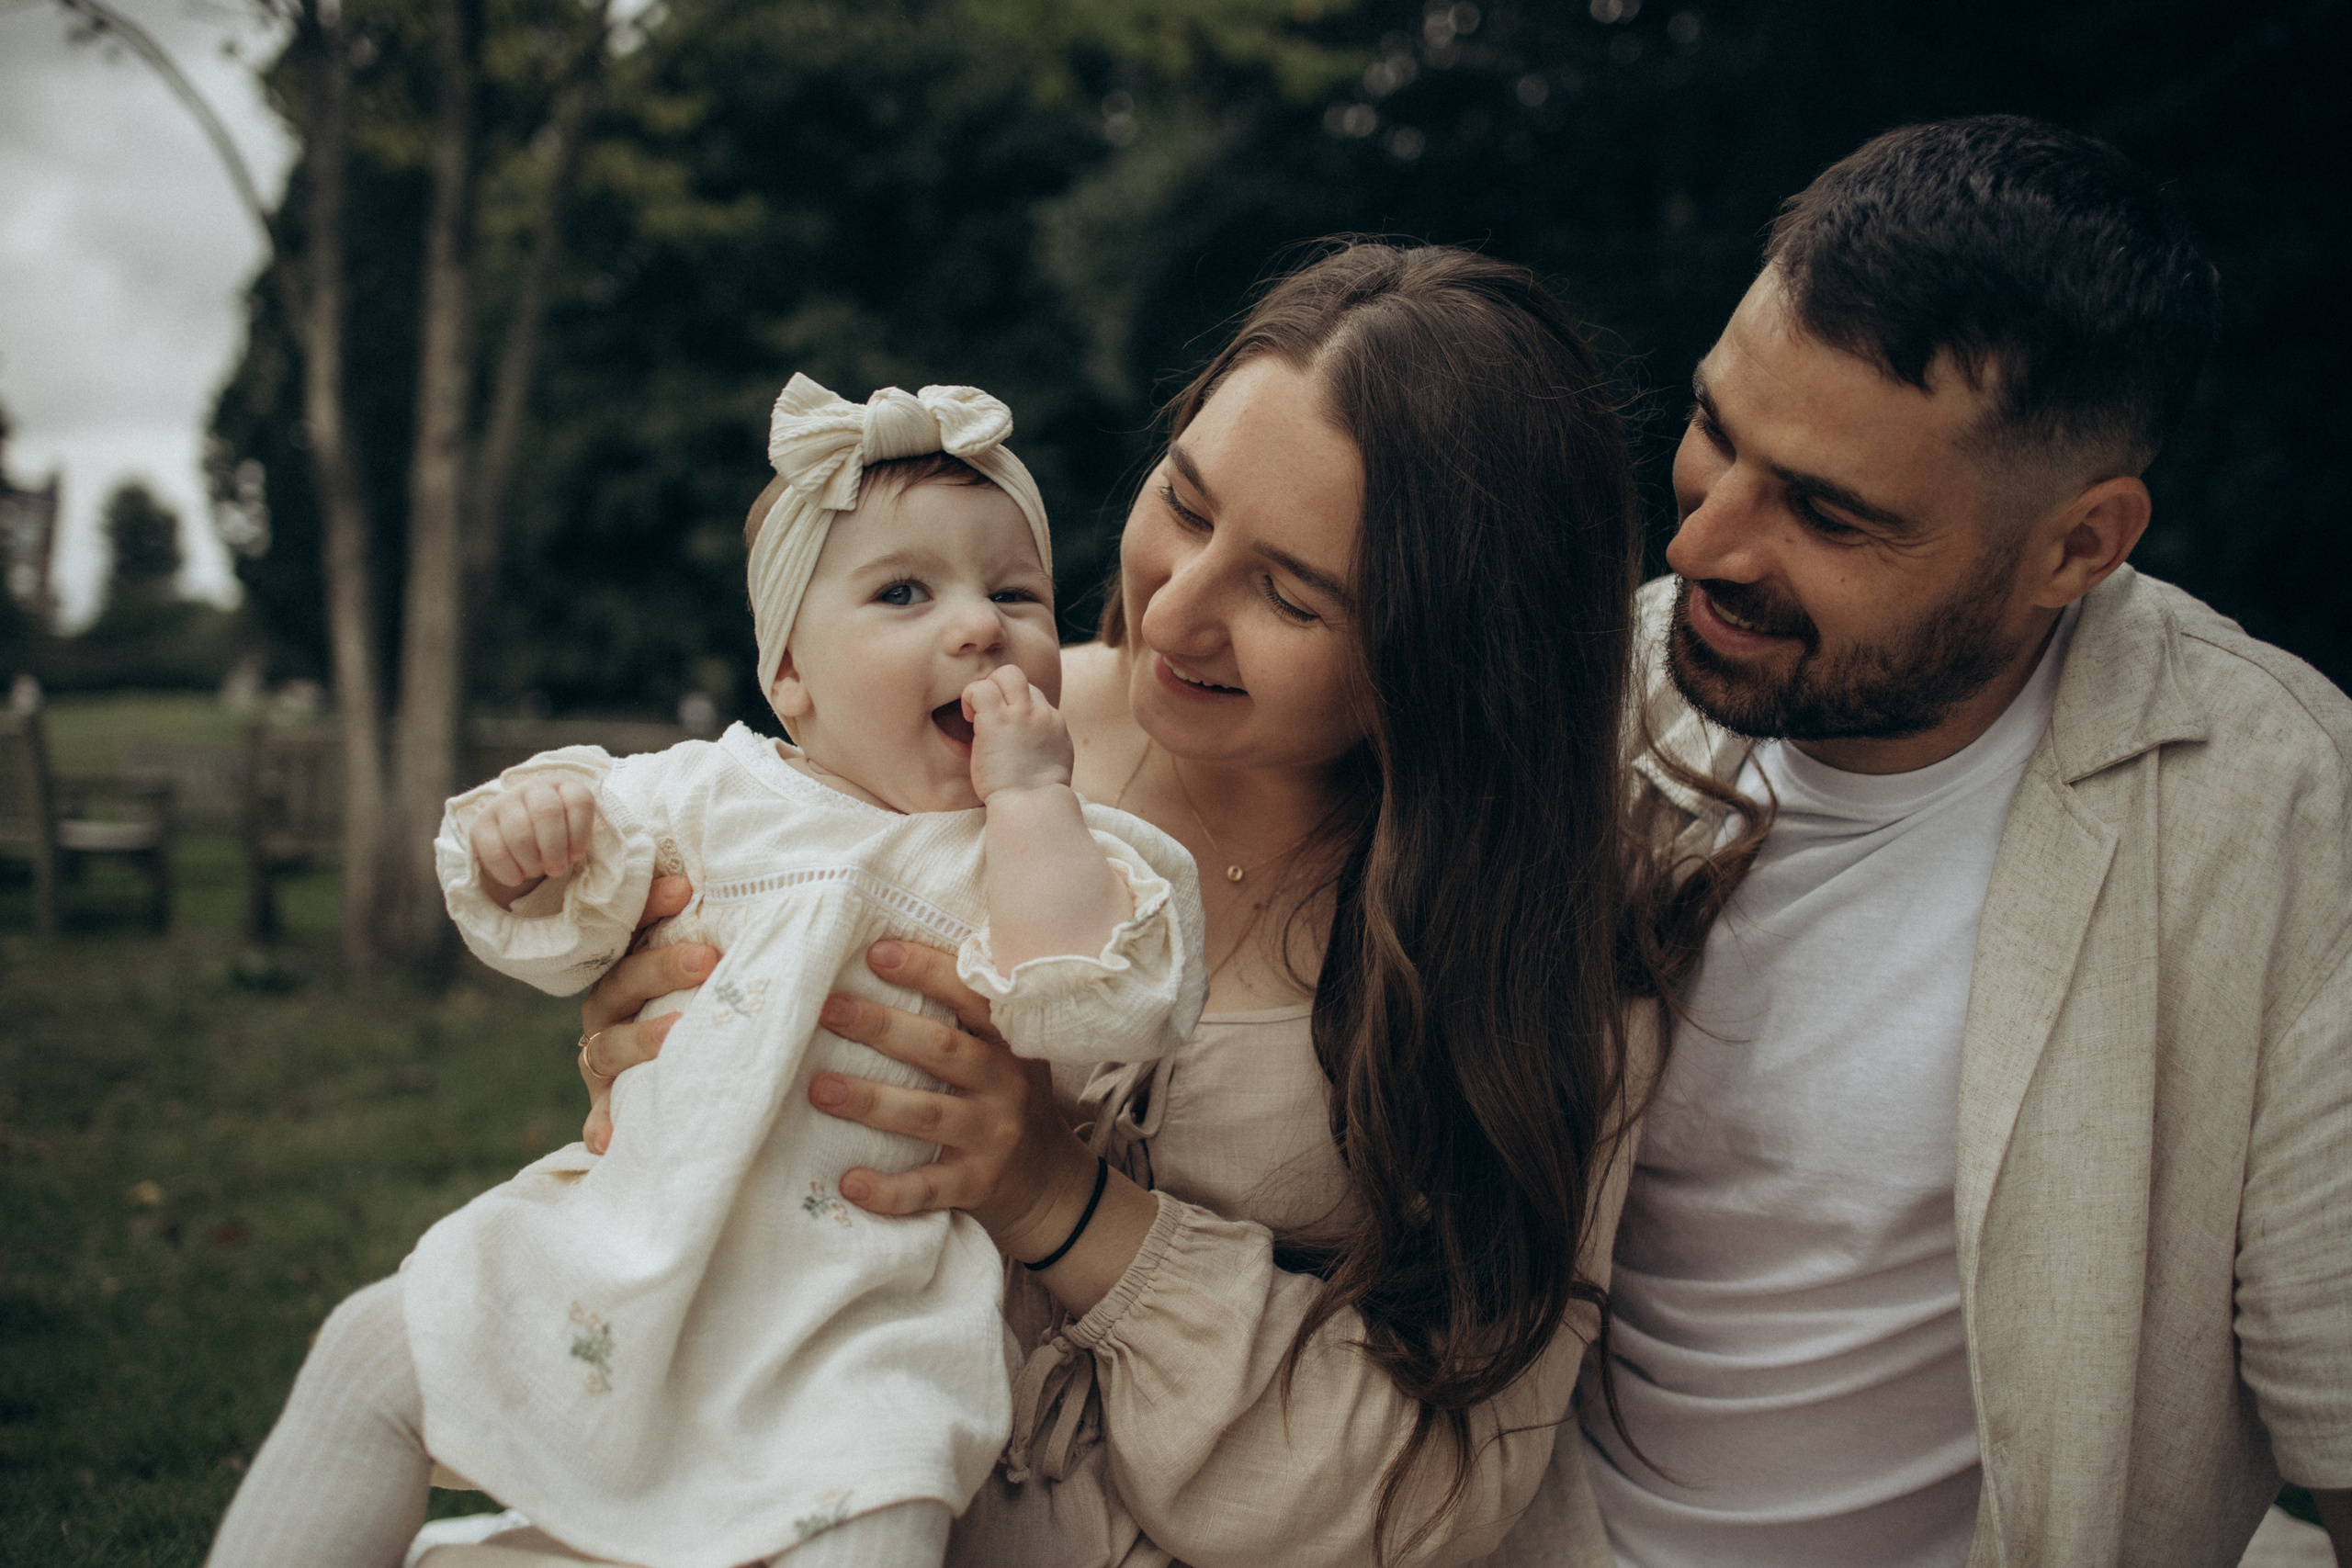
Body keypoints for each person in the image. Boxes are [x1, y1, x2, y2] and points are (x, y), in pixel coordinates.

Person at [497, 242, 1702, 1568]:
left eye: (1289, 594)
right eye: (1184, 502)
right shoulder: (935, 749)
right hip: (810, 1484)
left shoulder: (1536, 936)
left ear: (1450, 656)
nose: (1173, 612)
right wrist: (667, 1050)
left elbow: (1427, 1484)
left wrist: (1058, 1200)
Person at [207, 376, 1208, 1568]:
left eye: (1013, 593)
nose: (979, 627)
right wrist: (528, 836)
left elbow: (1087, 994)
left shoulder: (1030, 850)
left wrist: (1036, 797)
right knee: (375, 1348)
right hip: (626, 1242)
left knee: (881, 1515)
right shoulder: (710, 793)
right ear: (790, 676)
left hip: (862, 1317)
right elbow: (565, 904)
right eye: (904, 592)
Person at [1547, 116, 2348, 1567]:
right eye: (1717, 431)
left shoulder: (2285, 815)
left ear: (2079, 546)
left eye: (1827, 513)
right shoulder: (1578, 704)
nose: (1701, 547)